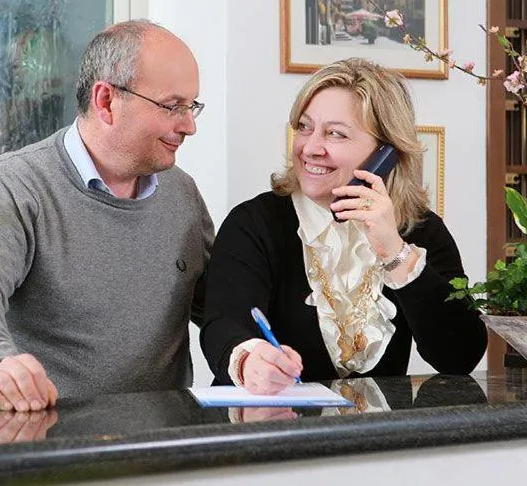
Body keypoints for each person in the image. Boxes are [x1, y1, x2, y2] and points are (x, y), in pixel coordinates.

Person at [0, 20, 214, 411]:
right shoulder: (12, 186)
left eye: (191, 106)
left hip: (164, 438)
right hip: (49, 436)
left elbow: (223, 308)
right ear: (106, 101)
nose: (189, 126)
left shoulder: (182, 194)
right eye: (172, 106)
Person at [200, 58, 487, 394]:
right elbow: (223, 323)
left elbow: (460, 356)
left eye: (335, 134)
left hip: (381, 428)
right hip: (275, 420)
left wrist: (394, 252)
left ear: (386, 151)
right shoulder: (254, 222)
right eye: (304, 127)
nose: (310, 148)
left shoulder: (420, 229)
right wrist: (249, 361)